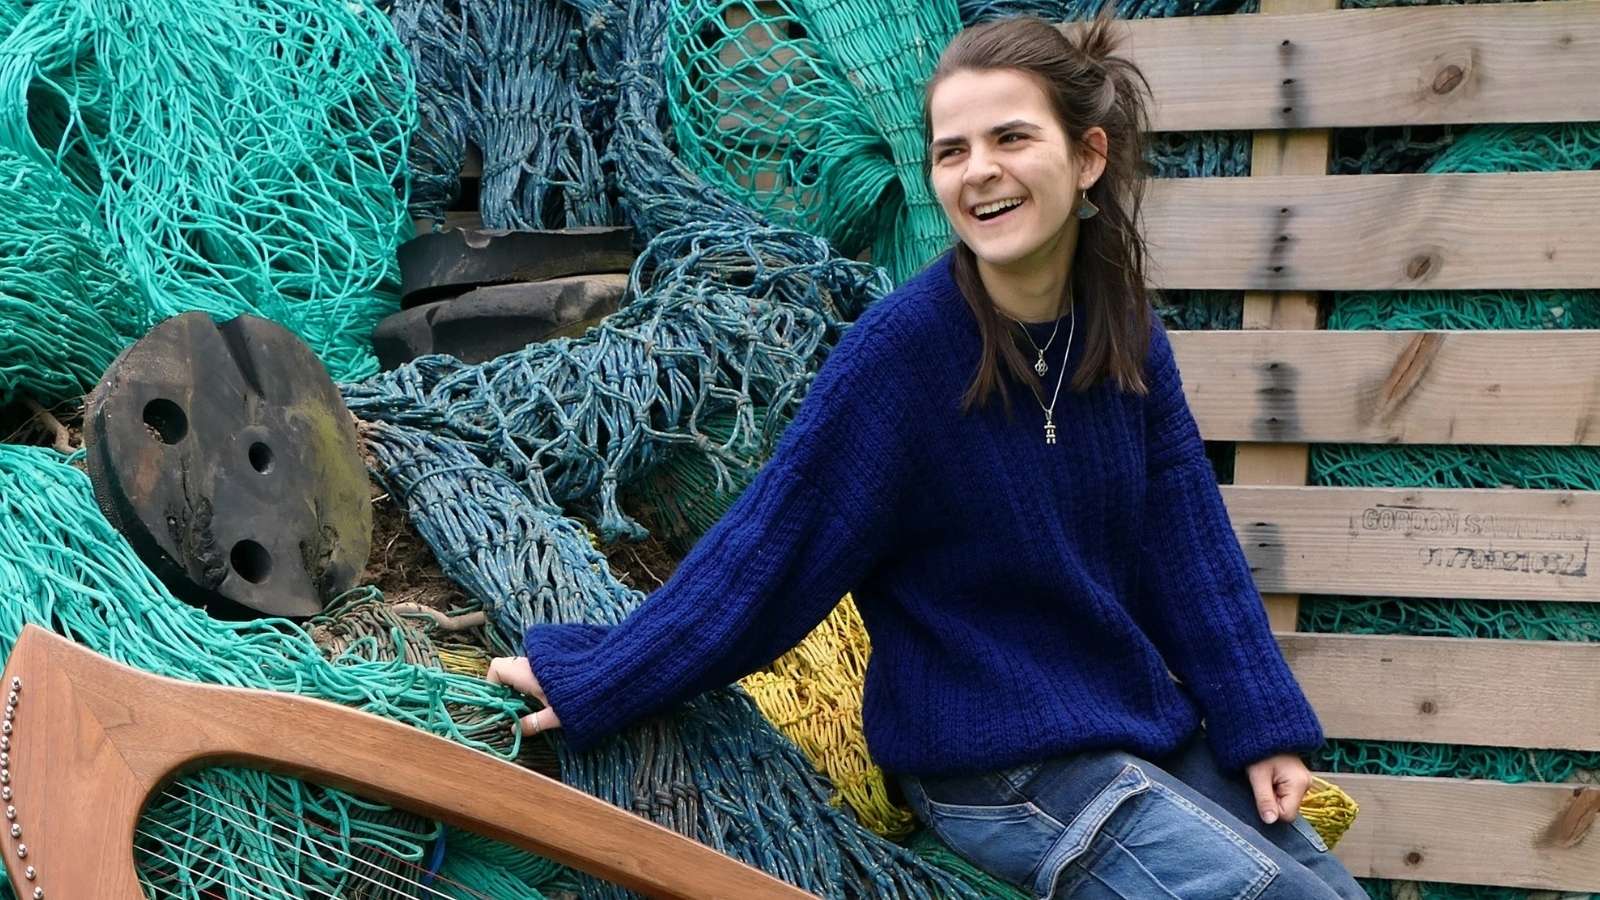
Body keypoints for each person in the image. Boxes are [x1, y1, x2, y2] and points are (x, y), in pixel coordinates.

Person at [485, 11, 1367, 899]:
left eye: (1011, 137)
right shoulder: (902, 353)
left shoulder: (1125, 333)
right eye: (952, 151)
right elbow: (774, 552)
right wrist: (608, 675)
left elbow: (1189, 545)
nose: (978, 171)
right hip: (991, 770)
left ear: (1088, 156)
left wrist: (1260, 721)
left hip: (1130, 726)